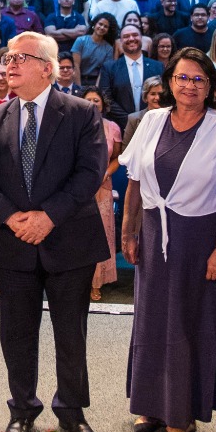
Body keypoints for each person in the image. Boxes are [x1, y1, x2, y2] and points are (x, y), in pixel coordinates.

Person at [0, 27, 108, 432]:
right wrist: (13, 218)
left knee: (71, 333)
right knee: (16, 333)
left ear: (47, 70)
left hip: (68, 241)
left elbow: (90, 174)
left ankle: (72, 411)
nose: (8, 65)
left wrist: (48, 218)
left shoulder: (82, 113)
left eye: (19, 58)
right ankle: (22, 411)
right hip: (14, 243)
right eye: (8, 58)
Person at [119, 47, 216, 432]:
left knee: (191, 324)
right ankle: (151, 405)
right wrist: (128, 231)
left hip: (200, 239)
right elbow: (135, 182)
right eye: (182, 78)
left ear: (211, 87)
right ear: (169, 82)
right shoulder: (151, 120)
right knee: (152, 319)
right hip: (155, 235)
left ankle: (184, 412)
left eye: (199, 79)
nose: (190, 85)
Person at [83, 86, 122, 302]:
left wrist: (106, 173)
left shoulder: (113, 128)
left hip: (103, 186)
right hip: (79, 188)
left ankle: (96, 283)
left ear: (103, 104)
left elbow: (117, 157)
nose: (93, 103)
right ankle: (79, 280)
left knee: (101, 234)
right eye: (88, 100)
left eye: (96, 100)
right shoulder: (74, 124)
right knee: (81, 234)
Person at [98, 24, 163, 126]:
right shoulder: (109, 68)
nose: (131, 38)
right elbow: (106, 98)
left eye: (135, 35)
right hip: (121, 127)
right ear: (120, 41)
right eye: (126, 36)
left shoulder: (158, 67)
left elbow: (163, 95)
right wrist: (130, 121)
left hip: (153, 124)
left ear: (142, 38)